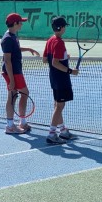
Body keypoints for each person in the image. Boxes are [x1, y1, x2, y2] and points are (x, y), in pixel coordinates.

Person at [1, 13, 40, 134]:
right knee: (15, 95)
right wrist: (12, 80)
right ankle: (11, 126)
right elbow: (7, 60)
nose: (22, 24)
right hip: (13, 72)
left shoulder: (13, 36)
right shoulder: (7, 39)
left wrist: (28, 49)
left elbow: (15, 49)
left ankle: (21, 123)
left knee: (18, 94)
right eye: (20, 22)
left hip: (16, 71)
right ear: (15, 23)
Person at [42, 16, 79, 144]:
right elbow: (55, 62)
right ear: (61, 27)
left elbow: (45, 59)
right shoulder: (59, 42)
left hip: (53, 78)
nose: (65, 28)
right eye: (64, 26)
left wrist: (65, 56)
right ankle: (52, 134)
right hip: (61, 79)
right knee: (59, 106)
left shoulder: (50, 40)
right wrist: (71, 71)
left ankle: (63, 132)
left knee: (58, 105)